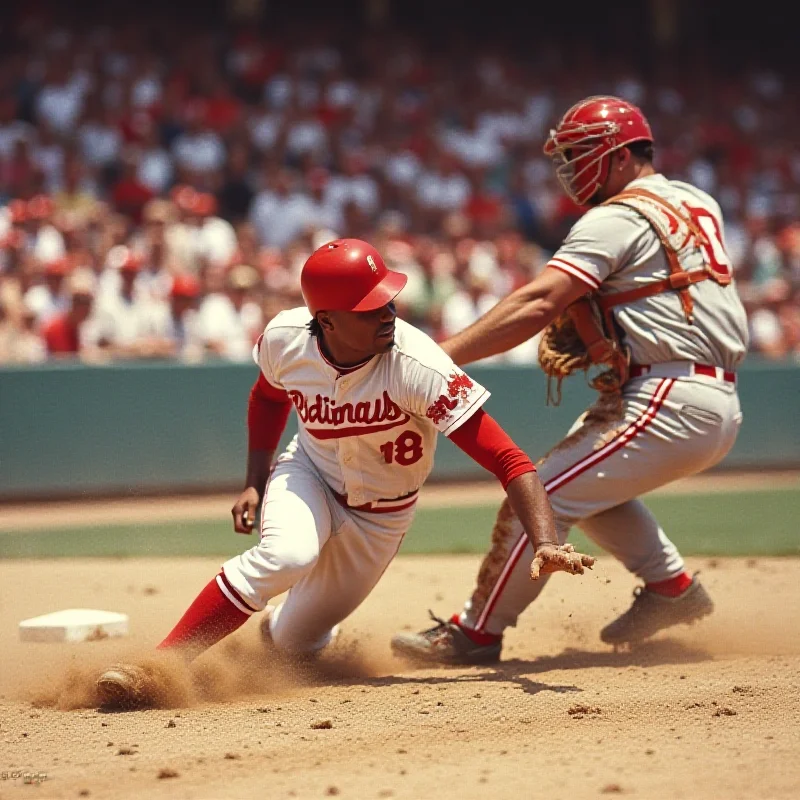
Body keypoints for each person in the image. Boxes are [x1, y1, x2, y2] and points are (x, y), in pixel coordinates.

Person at [95, 238, 594, 708]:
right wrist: (255, 476)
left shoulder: (418, 365)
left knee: (291, 643)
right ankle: (160, 666)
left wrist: (545, 540)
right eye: (370, 308)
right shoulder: (286, 339)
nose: (388, 314)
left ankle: (268, 636)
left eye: (390, 301)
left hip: (382, 517)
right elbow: (267, 398)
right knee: (286, 555)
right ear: (326, 320)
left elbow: (509, 459)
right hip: (309, 473)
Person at [391, 96, 749, 664]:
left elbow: (537, 302)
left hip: (668, 397)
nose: (570, 167)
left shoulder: (616, 217)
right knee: (589, 489)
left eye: (584, 152)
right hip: (699, 392)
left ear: (625, 155)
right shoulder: (696, 200)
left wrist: (436, 357)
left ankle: (474, 633)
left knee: (540, 497)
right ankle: (671, 590)